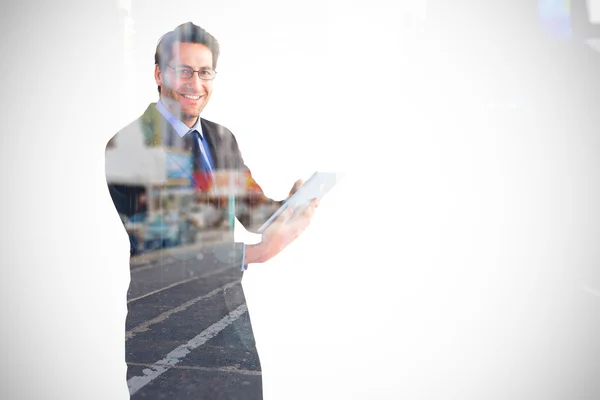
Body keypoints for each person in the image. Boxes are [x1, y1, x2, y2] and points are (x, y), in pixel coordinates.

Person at [105, 21, 318, 399]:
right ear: (159, 73)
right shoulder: (128, 148)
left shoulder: (221, 139)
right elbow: (165, 250)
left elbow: (254, 212)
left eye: (204, 72)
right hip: (164, 341)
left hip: (230, 331)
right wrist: (258, 253)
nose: (195, 83)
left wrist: (288, 209)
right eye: (183, 70)